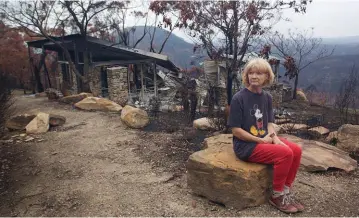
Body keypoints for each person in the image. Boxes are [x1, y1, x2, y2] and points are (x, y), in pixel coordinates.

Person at [227, 58, 304, 214]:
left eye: (259, 73)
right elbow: (235, 131)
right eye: (251, 73)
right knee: (285, 154)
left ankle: (285, 191)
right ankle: (276, 195)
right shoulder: (238, 98)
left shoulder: (267, 97)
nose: (254, 76)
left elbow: (269, 123)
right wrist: (261, 140)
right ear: (246, 75)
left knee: (295, 150)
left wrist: (274, 139)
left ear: (267, 77)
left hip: (264, 139)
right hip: (246, 145)